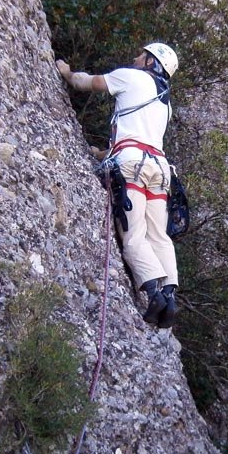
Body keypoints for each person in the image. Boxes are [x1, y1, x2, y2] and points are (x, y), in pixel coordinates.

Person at [56, 43, 179, 329]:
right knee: (159, 235)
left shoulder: (132, 76)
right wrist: (102, 153)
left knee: (133, 234)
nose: (136, 57)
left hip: (132, 164)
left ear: (151, 62)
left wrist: (66, 72)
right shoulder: (166, 104)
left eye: (142, 55)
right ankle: (170, 295)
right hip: (159, 169)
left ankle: (152, 293)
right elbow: (141, 135)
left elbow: (87, 83)